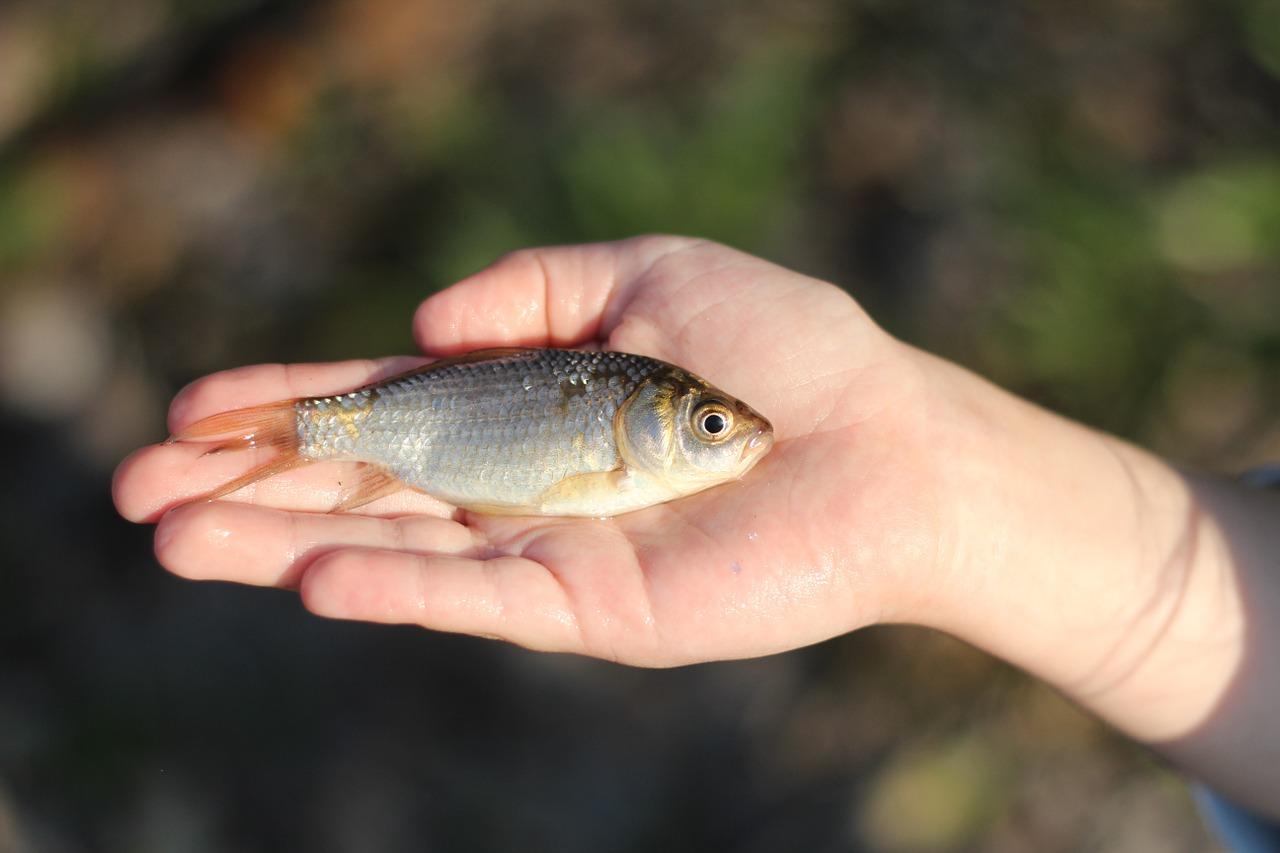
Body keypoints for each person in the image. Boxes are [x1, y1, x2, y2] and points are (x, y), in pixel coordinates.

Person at [113, 236, 1280, 822]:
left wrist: (930, 490)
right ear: (658, 415)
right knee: (310, 440)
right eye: (711, 424)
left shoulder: (638, 433)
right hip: (417, 430)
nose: (731, 436)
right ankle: (285, 435)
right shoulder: (616, 425)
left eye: (709, 422)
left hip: (429, 437)